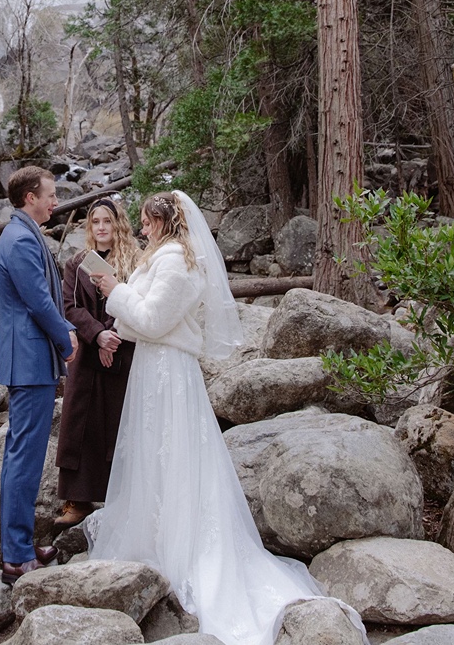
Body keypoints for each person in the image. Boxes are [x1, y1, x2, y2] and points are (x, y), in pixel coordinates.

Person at [87, 191, 364, 645]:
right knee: (152, 455)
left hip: (168, 372)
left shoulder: (176, 260)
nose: (140, 229)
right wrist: (123, 304)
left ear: (165, 222)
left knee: (173, 455)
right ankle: (155, 541)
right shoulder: (160, 256)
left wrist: (115, 293)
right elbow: (132, 325)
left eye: (146, 222)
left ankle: (182, 553)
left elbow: (152, 320)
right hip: (151, 369)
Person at [0, 165, 77, 584]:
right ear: (30, 197)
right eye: (50, 194)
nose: (55, 201)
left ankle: (21, 546)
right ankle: (15, 558)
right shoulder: (20, 238)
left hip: (31, 360)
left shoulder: (23, 233)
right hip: (28, 362)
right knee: (23, 460)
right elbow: (40, 303)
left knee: (22, 457)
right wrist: (67, 339)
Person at [52, 197, 141, 526]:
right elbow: (70, 307)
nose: (101, 227)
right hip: (89, 353)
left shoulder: (135, 261)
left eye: (107, 221)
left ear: (118, 224)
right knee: (80, 423)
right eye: (95, 222)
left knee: (119, 423)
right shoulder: (78, 263)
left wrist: (112, 337)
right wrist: (98, 336)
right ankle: (78, 499)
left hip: (125, 349)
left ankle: (124, 498)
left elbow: (138, 301)